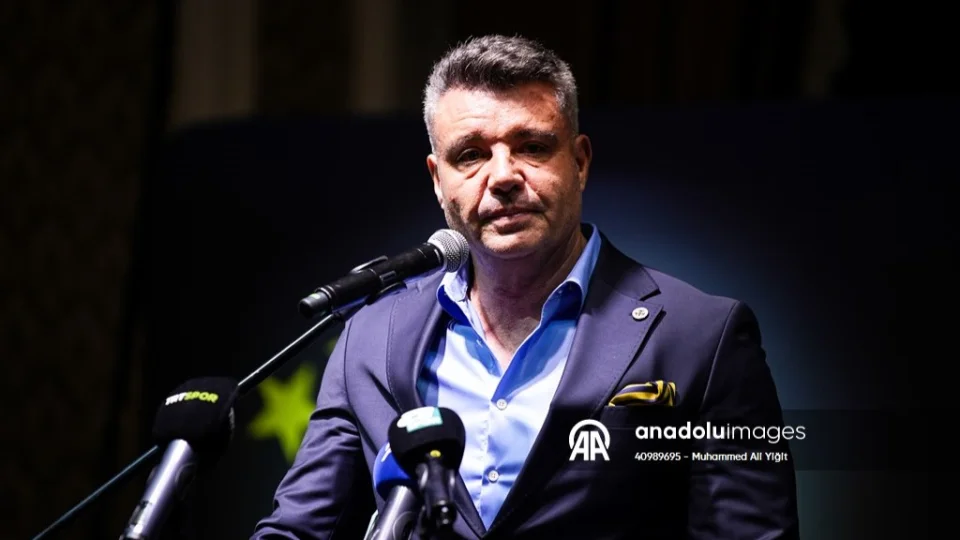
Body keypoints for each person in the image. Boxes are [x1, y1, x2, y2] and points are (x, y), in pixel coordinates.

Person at [252, 34, 799, 539]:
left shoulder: (703, 338)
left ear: (579, 162)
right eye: (470, 155)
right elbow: (298, 530)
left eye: (532, 146)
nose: (503, 176)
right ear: (438, 180)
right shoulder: (371, 338)